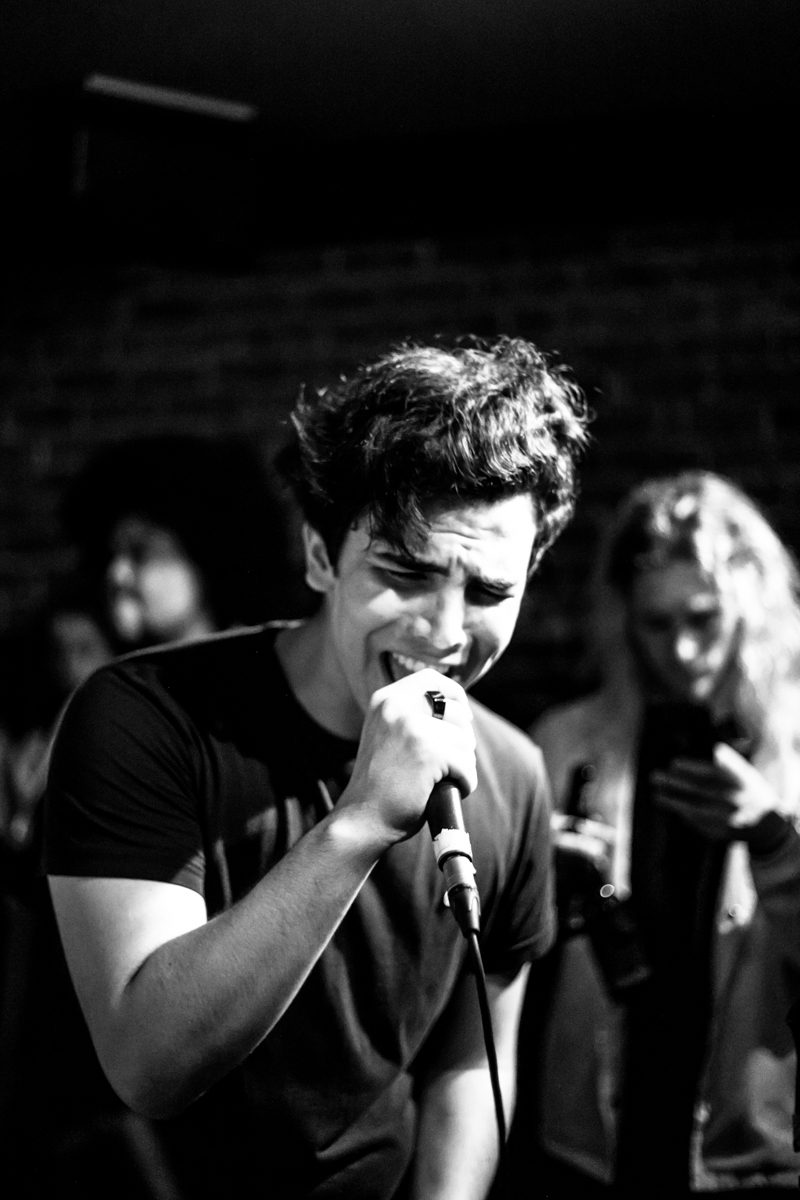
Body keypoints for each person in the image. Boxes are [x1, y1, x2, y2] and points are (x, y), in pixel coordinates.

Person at [43, 337, 589, 1200]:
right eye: (404, 572)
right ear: (319, 555)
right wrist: (360, 823)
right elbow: (148, 1061)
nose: (446, 631)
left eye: (489, 592)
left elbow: (465, 1070)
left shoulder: (512, 773)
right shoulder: (143, 717)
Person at [527, 471, 800, 1196]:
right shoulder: (570, 742)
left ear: (752, 609)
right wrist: (533, 879)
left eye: (703, 619)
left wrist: (775, 840)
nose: (680, 650)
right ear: (624, 618)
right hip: (598, 1138)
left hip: (755, 1148)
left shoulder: (794, 747)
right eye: (656, 624)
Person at [61, 432, 299, 653]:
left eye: (139, 553)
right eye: (106, 557)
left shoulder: (267, 666)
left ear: (202, 558)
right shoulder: (100, 674)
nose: (116, 574)